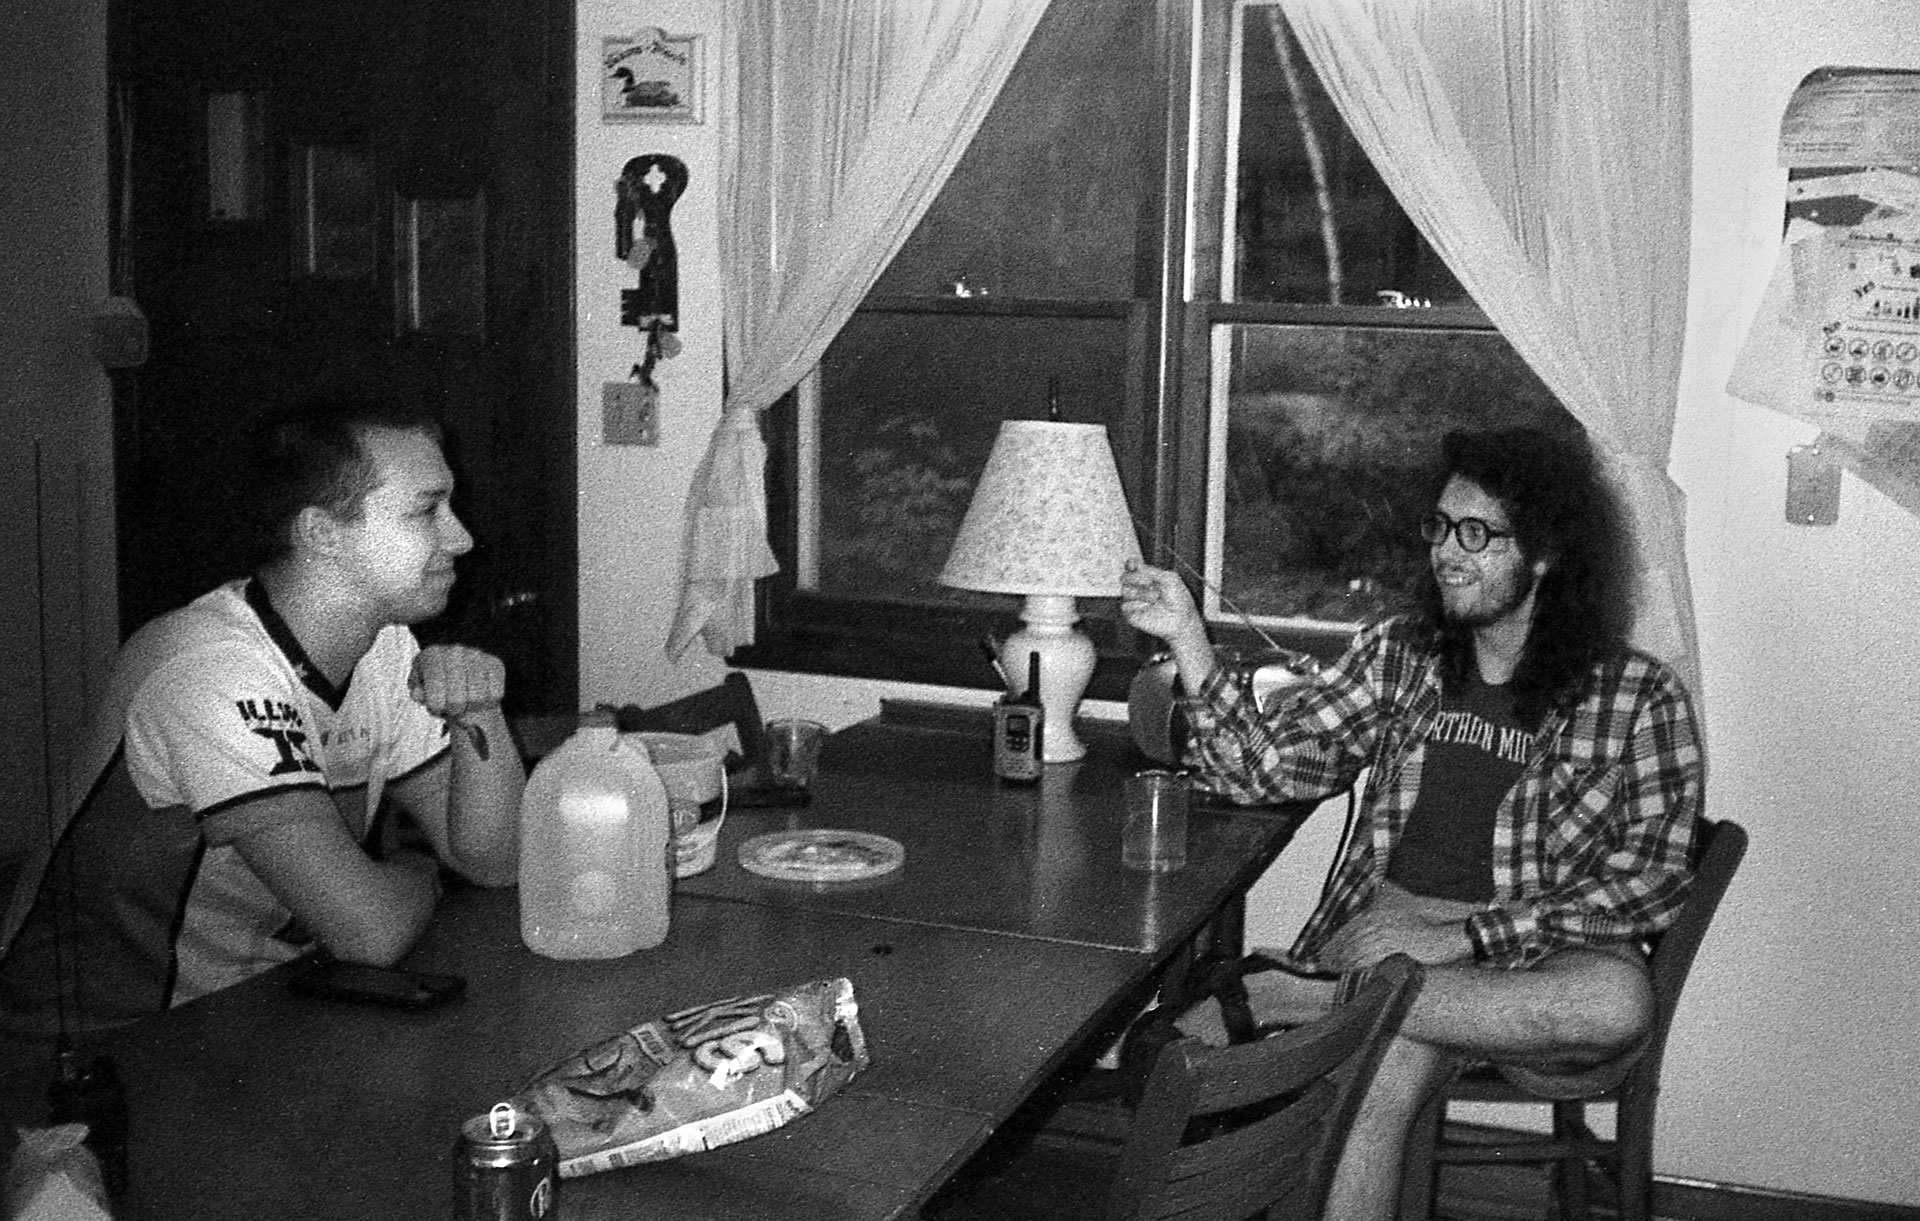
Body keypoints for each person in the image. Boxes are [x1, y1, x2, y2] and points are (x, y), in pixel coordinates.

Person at [1119, 425, 1704, 1220]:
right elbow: (1266, 770)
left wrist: (1468, 935)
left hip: (1537, 958)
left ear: (1545, 553)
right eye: (1441, 526)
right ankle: (1341, 1001)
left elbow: (1654, 881)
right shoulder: (1400, 653)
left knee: (1618, 1002)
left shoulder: (1638, 695)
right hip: (1392, 939)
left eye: (1478, 533)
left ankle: (1290, 995)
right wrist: (1190, 639)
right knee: (1383, 1074)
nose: (1447, 553)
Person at [0, 400, 526, 1039]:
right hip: (93, 1046)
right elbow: (369, 933)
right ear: (322, 534)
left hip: (253, 1012)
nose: (461, 537)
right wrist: (420, 871)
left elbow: (496, 862)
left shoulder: (385, 647)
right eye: (426, 510)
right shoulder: (212, 669)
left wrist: (480, 710)